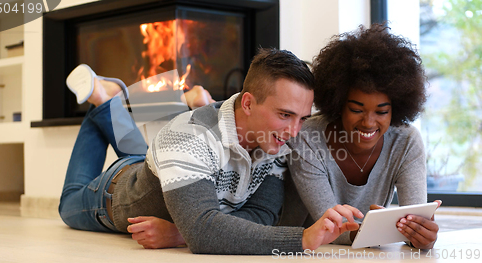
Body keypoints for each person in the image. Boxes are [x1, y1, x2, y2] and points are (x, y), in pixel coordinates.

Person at [58, 48, 363, 255]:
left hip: (167, 166)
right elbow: (203, 232)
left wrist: (181, 233)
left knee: (149, 154)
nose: (295, 132)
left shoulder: (276, 140)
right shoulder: (188, 137)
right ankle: (102, 102)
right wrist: (302, 238)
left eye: (302, 118)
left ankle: (110, 100)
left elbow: (262, 215)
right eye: (285, 115)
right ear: (247, 103)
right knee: (68, 203)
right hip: (113, 195)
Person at [285, 24, 440, 250]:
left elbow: (414, 220)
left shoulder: (406, 142)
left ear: (395, 109)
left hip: (364, 252)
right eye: (357, 110)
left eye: (381, 112)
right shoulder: (307, 136)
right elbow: (328, 227)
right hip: (300, 251)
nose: (368, 122)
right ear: (338, 105)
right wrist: (383, 229)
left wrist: (420, 234)